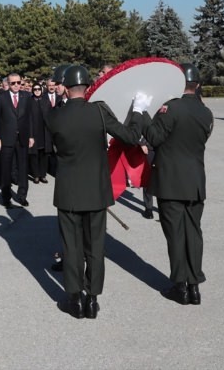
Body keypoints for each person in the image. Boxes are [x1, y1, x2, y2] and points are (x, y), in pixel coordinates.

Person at [45, 65, 149, 319]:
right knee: (95, 245)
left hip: (69, 190)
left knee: (72, 247)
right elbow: (130, 136)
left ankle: (74, 299)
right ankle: (92, 299)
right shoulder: (100, 111)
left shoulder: (54, 116)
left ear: (65, 88)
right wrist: (137, 110)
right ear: (88, 87)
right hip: (96, 190)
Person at [142, 63, 213, 306]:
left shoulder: (170, 109)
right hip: (195, 182)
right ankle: (195, 286)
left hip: (170, 181)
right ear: (198, 85)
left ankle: (180, 286)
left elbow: (154, 138)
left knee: (175, 234)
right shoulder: (206, 112)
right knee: (194, 232)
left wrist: (142, 114)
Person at [0, 72, 34, 207]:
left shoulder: (27, 96)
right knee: (6, 169)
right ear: (8, 84)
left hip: (22, 137)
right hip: (6, 138)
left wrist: (31, 135)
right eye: (13, 83)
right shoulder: (1, 97)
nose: (16, 85)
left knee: (23, 168)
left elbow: (30, 118)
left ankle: (22, 196)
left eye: (18, 83)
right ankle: (6, 197)